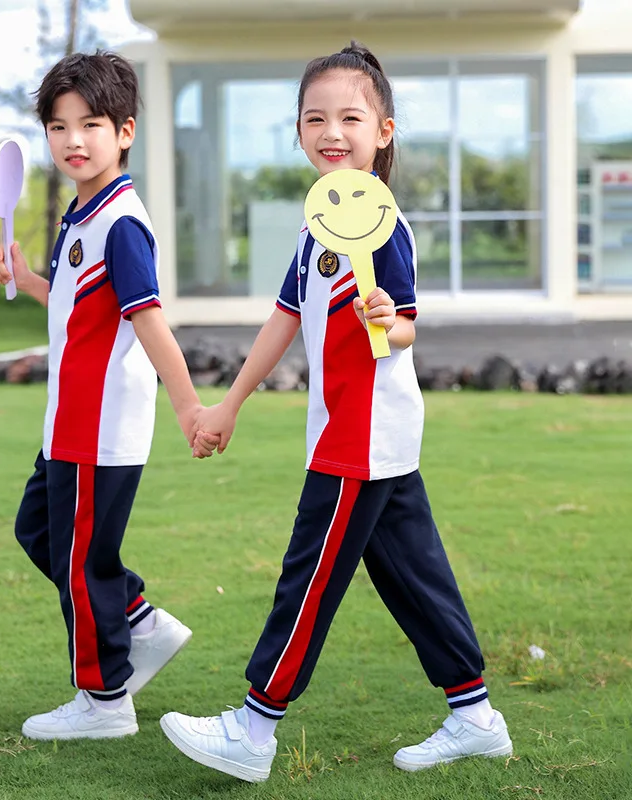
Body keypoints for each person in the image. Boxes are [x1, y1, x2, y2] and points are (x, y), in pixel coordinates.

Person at [159, 41, 513, 780]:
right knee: (415, 576)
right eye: (315, 117)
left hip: (364, 436)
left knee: (309, 576)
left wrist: (387, 315)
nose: (332, 131)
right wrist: (227, 405)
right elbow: (282, 321)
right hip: (357, 435)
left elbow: (405, 329)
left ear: (384, 130)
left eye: (351, 117)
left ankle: (253, 729)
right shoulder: (316, 226)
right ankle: (476, 716)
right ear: (297, 133)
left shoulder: (384, 227)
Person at [0, 50, 216, 741]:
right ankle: (138, 619)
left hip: (100, 428)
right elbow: (81, 308)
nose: (73, 140)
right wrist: (29, 279)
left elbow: (148, 321)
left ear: (125, 130)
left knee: (81, 563)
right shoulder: (83, 215)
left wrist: (189, 408)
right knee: (41, 533)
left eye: (91, 123)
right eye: (59, 127)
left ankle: (104, 700)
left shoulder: (122, 225)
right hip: (68, 424)